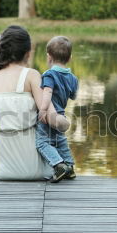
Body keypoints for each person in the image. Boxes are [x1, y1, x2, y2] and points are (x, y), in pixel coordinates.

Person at [0, 26, 69, 181]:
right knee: (57, 137)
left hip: (1, 168)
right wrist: (66, 123)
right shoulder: (31, 75)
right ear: (28, 52)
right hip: (33, 165)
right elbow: (53, 119)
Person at [35, 36, 78, 182]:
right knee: (60, 141)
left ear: (49, 57)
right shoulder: (73, 78)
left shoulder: (49, 75)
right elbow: (73, 95)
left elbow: (47, 92)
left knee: (42, 142)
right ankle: (70, 167)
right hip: (61, 115)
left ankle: (58, 165)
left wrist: (43, 109)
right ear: (70, 58)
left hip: (49, 116)